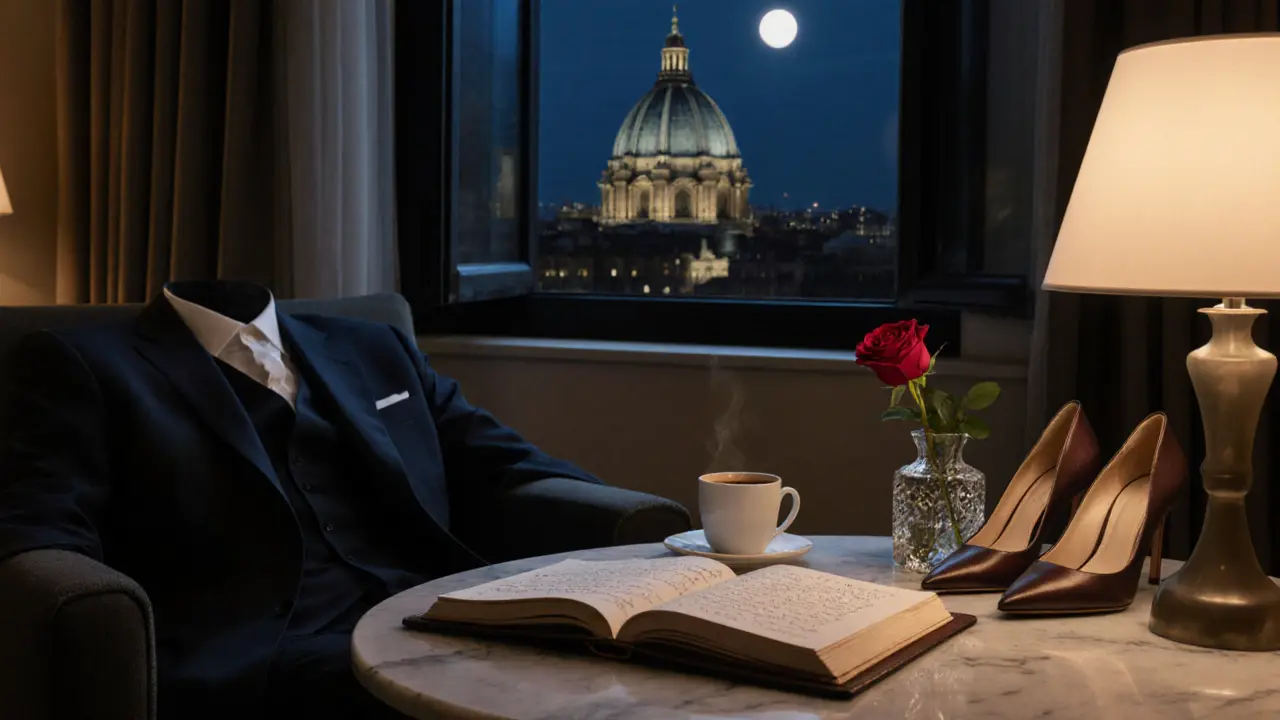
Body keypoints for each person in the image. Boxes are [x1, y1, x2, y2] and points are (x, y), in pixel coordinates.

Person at [0, 281, 600, 720]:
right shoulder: (83, 361)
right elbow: (41, 521)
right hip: (261, 645)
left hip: (428, 605)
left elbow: (503, 458)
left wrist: (649, 539)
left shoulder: (375, 346)